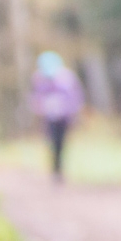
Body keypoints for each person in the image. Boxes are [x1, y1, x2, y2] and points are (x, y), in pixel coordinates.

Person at [30, 51, 84, 182]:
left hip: (64, 117)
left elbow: (74, 97)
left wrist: (74, 112)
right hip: (49, 117)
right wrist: (39, 108)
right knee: (52, 142)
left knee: (62, 143)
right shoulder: (39, 78)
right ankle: (55, 169)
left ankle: (60, 169)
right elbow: (36, 98)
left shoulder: (66, 77)